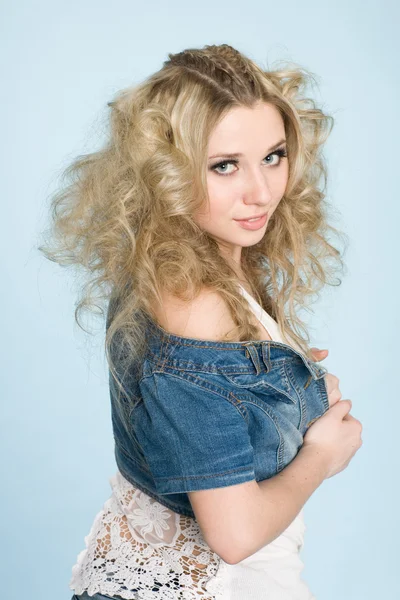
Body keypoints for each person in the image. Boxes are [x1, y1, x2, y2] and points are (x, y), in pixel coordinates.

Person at [38, 43, 363, 600]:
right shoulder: (194, 304)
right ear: (167, 171)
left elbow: (226, 413)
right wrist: (320, 455)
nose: (260, 191)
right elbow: (234, 535)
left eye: (273, 156)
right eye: (224, 166)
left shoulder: (194, 259)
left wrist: (294, 388)